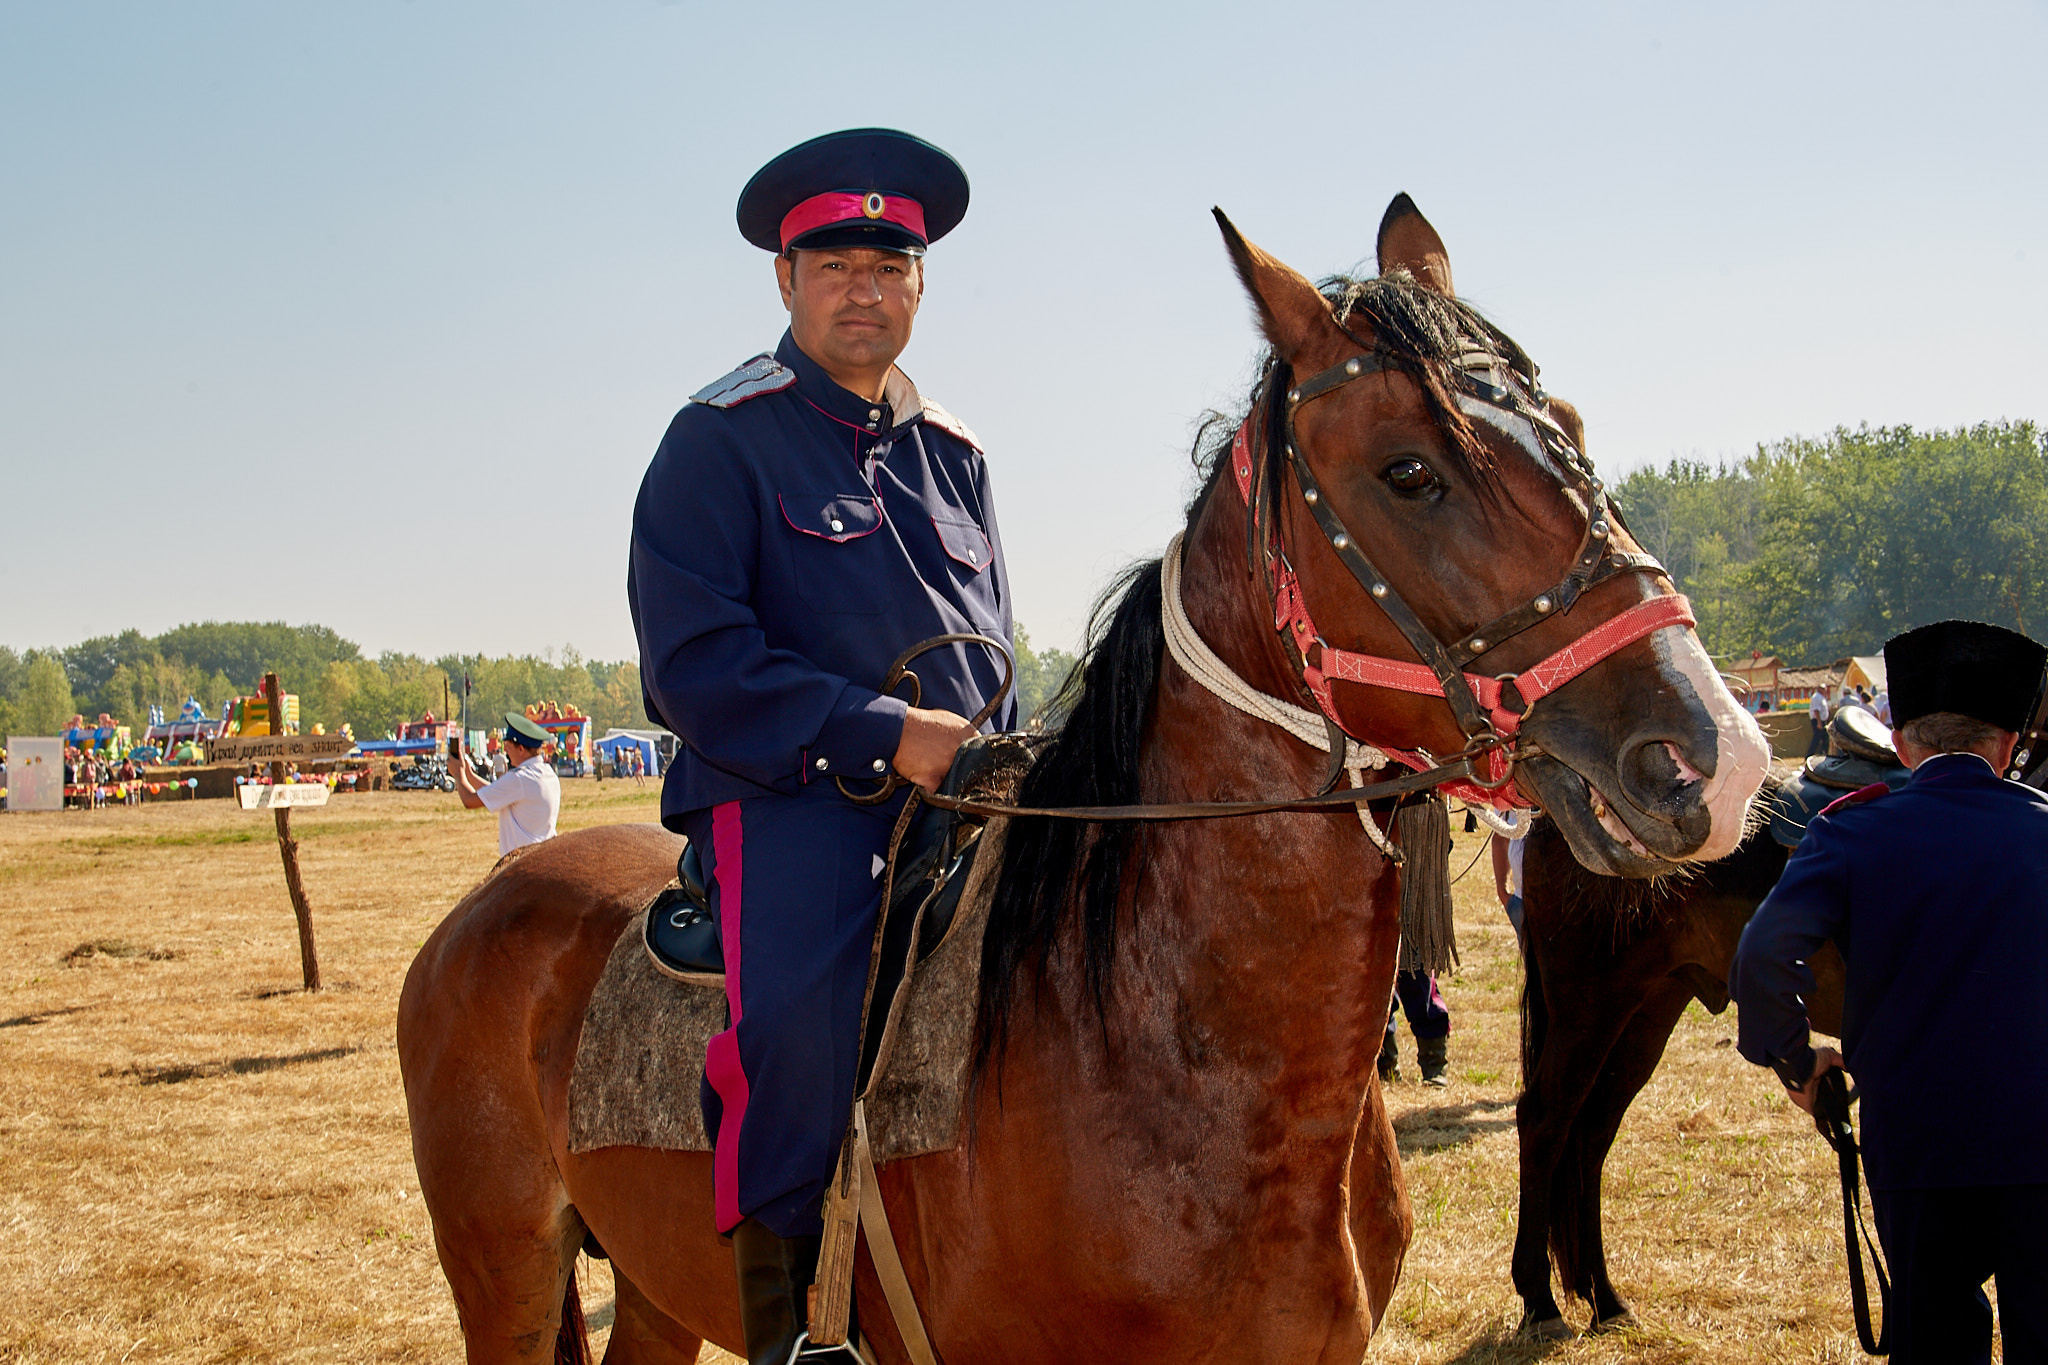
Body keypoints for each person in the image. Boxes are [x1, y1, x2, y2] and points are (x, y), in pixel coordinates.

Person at [628, 127, 1013, 1364]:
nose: (865, 287)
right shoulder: (718, 436)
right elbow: (693, 667)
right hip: (791, 797)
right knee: (795, 1032)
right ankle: (800, 1332)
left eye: (889, 265)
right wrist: (884, 731)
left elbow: (990, 636)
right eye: (835, 263)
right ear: (784, 282)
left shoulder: (957, 452)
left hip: (971, 793)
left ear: (919, 287)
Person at [1730, 619, 2048, 1361]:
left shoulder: (1852, 834)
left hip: (1919, 1145)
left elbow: (1761, 956)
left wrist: (1796, 1060)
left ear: (1901, 743)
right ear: (2007, 747)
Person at [450, 712, 560, 855]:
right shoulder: (547, 773)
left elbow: (469, 801)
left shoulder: (519, 778)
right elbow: (494, 791)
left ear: (520, 748)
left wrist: (458, 774)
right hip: (542, 855)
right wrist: (469, 775)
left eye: (508, 746)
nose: (506, 751)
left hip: (521, 862)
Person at [1808, 687, 1832, 757]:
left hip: (1822, 720)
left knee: (1825, 738)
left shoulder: (1821, 697)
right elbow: (1816, 710)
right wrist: (1819, 722)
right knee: (1817, 738)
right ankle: (1809, 755)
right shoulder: (1816, 697)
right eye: (1824, 689)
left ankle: (1823, 753)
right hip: (1818, 721)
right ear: (1820, 689)